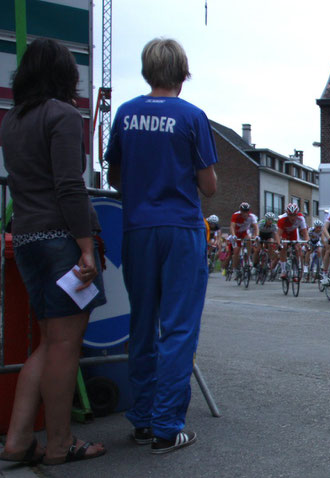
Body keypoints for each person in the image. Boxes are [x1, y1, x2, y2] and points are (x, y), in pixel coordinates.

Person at [105, 37, 217, 454]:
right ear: (183, 74)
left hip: (137, 228)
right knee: (178, 328)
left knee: (142, 325)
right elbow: (208, 185)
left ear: (146, 70)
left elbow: (116, 177)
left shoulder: (125, 114)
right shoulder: (192, 116)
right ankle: (167, 426)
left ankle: (141, 420)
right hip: (180, 229)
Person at [0, 37, 107, 466]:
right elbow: (69, 185)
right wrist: (86, 249)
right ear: (65, 75)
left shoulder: (11, 120)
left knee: (48, 344)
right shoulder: (62, 115)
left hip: (25, 238)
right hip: (60, 240)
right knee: (66, 346)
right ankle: (60, 444)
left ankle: (18, 439)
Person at [277, 204, 309, 279]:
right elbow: (278, 235)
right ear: (287, 214)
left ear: (297, 214)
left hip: (293, 232)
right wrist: (279, 244)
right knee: (283, 246)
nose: (292, 217)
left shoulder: (301, 218)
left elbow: (305, 233)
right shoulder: (282, 219)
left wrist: (306, 242)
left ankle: (295, 271)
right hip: (284, 232)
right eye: (290, 215)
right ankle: (283, 270)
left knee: (297, 248)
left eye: (294, 215)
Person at [229, 202, 259, 277]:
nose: (245, 214)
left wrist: (256, 236)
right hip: (236, 233)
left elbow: (256, 228)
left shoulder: (252, 217)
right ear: (240, 211)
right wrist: (233, 235)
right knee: (236, 251)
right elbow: (232, 226)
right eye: (243, 211)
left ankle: (248, 258)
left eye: (246, 211)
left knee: (248, 239)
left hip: (244, 233)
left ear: (249, 211)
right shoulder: (235, 215)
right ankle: (235, 268)